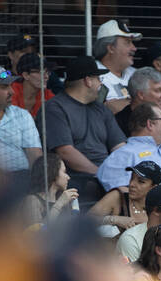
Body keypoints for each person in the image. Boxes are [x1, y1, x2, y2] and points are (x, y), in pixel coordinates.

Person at [42, 55, 128, 204]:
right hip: (75, 177)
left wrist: (123, 174)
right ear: (88, 81)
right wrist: (102, 174)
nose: (101, 83)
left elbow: (120, 147)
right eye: (98, 79)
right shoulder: (54, 108)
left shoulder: (101, 109)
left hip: (108, 175)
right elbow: (65, 152)